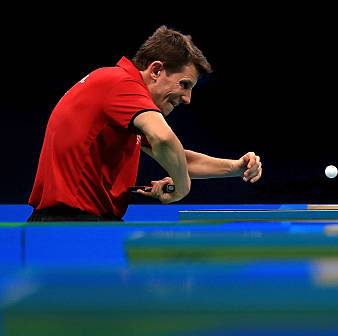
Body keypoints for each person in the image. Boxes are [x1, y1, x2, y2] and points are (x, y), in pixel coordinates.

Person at [28, 26, 263, 222]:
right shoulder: (120, 83)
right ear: (156, 70)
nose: (187, 99)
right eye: (184, 84)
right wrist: (182, 188)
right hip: (69, 224)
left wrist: (236, 167)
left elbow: (177, 156)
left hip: (82, 222)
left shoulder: (122, 101)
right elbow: (164, 139)